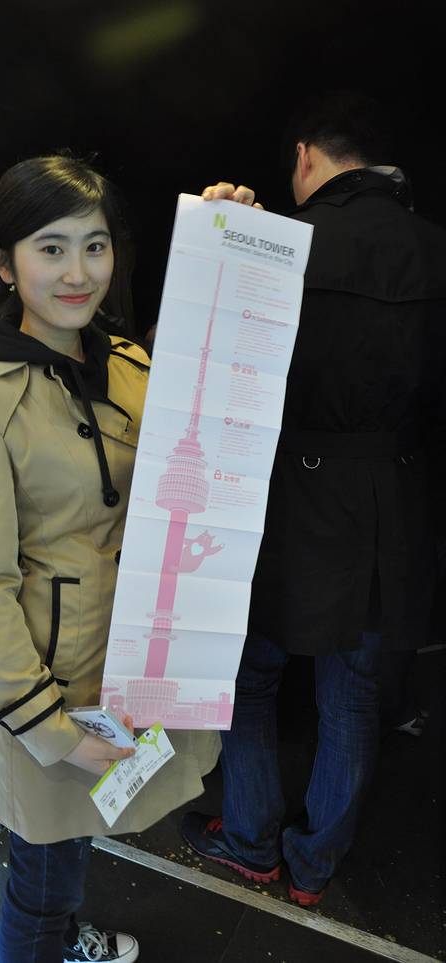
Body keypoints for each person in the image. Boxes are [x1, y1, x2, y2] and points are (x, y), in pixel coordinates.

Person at [0, 155, 225, 963]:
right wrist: (48, 728)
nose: (77, 272)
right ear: (6, 264)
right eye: (51, 248)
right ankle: (48, 941)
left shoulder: (132, 366)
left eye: (94, 246)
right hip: (58, 685)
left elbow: (204, 388)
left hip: (137, 662)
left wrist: (222, 239)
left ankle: (67, 938)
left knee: (73, 848)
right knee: (43, 869)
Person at [182, 91, 446, 906]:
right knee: (354, 696)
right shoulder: (435, 248)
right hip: (396, 502)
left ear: (305, 156)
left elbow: (210, 365)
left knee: (249, 677)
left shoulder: (283, 243)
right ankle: (314, 866)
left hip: (286, 502)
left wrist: (222, 230)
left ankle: (251, 840)